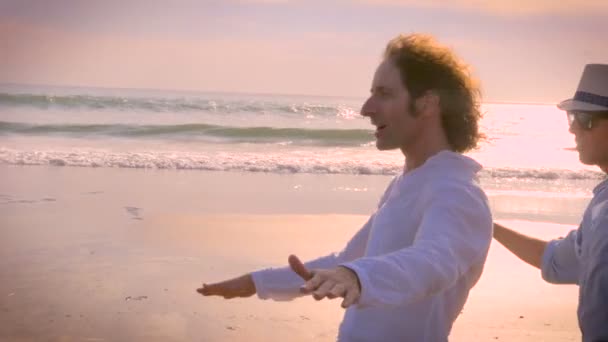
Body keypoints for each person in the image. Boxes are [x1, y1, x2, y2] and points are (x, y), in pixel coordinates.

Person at [197, 33, 493, 341]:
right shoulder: (408, 183)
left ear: (428, 103)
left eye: (385, 94)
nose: (367, 108)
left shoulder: (456, 192)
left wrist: (356, 276)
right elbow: (349, 261)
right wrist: (256, 282)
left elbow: (433, 263)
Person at [493, 63, 608, 342]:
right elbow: (556, 261)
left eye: (584, 118)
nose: (573, 130)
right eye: (572, 117)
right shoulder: (600, 205)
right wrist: (489, 226)